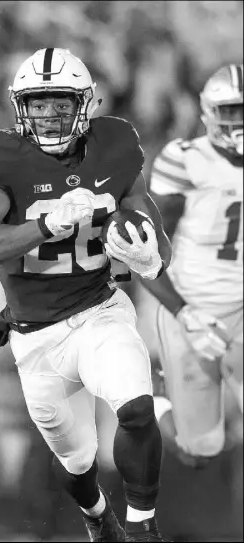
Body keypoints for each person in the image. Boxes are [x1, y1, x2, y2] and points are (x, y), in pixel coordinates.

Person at [0, 48, 172, 542]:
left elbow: (142, 212)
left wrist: (151, 256)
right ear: (21, 108)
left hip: (100, 308)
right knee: (75, 463)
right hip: (35, 334)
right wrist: (47, 224)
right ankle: (98, 516)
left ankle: (143, 527)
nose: (50, 114)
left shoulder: (115, 143)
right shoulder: (2, 157)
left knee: (137, 408)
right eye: (38, 104)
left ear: (85, 104)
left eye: (60, 103)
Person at [140, 64, 243, 469]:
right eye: (231, 111)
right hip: (194, 305)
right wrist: (183, 311)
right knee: (196, 449)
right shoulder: (185, 159)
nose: (240, 121)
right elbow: (145, 249)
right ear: (209, 113)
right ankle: (155, 396)